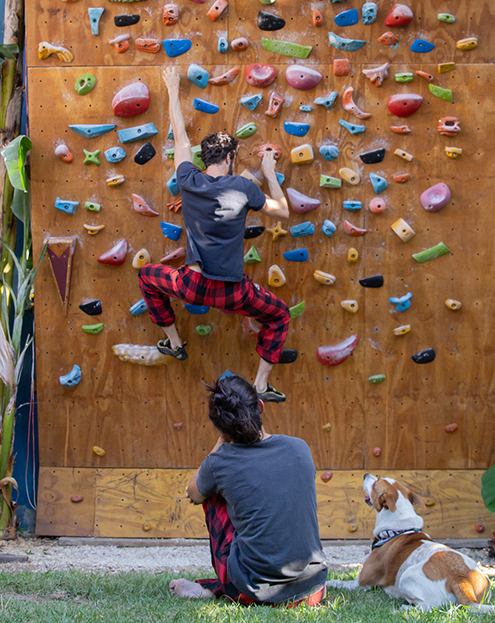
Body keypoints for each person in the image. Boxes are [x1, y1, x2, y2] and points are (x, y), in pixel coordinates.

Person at [138, 65, 294, 402]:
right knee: (280, 314)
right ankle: (262, 386)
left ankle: (175, 343)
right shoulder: (243, 186)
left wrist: (172, 87)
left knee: (147, 276)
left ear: (203, 157)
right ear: (232, 156)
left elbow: (179, 135)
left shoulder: (189, 180)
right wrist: (269, 174)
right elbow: (282, 211)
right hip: (232, 292)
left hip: (191, 286)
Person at [169, 373, 327, 606]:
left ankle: (221, 586)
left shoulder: (219, 462)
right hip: (312, 591)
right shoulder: (300, 448)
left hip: (253, 593)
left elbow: (192, 493)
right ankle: (220, 586)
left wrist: (222, 440)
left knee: (210, 495)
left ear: (219, 427)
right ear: (260, 406)